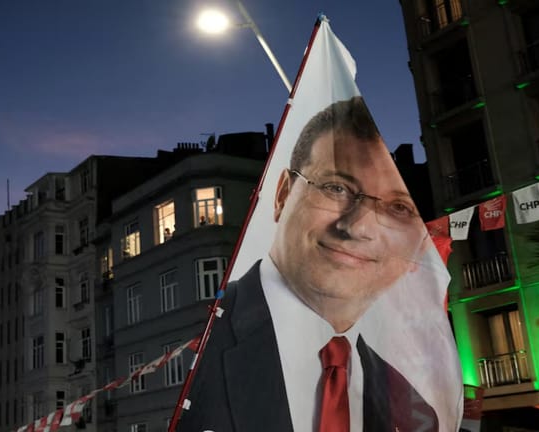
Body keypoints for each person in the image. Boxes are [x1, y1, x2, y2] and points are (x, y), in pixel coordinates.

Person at [177, 97, 454, 432]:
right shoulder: (198, 345)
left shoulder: (412, 408)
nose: (359, 227)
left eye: (398, 209)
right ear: (283, 195)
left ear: (417, 248)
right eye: (336, 188)